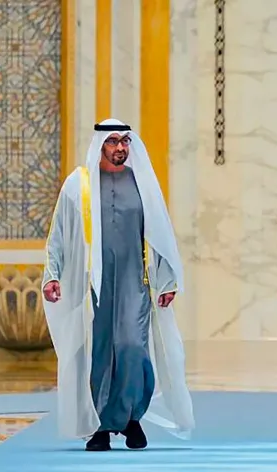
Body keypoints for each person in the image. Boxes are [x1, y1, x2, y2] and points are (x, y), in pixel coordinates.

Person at [42, 119, 194, 451]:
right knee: (98, 351)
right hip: (92, 285)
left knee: (131, 346)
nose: (120, 147)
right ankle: (100, 425)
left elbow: (160, 235)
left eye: (125, 141)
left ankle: (130, 417)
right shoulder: (78, 185)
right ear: (100, 145)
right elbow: (59, 234)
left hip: (134, 281)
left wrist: (167, 279)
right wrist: (52, 274)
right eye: (113, 142)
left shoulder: (141, 183)